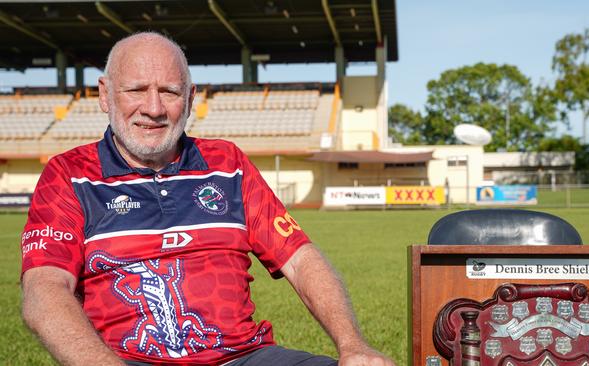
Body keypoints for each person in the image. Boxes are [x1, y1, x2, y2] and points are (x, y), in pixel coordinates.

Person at [21, 32, 395, 366]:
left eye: (169, 91)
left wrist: (352, 345)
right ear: (105, 95)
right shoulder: (68, 174)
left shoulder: (228, 165)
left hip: (244, 357)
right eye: (136, 90)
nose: (153, 108)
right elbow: (44, 291)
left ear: (191, 98)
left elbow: (300, 259)